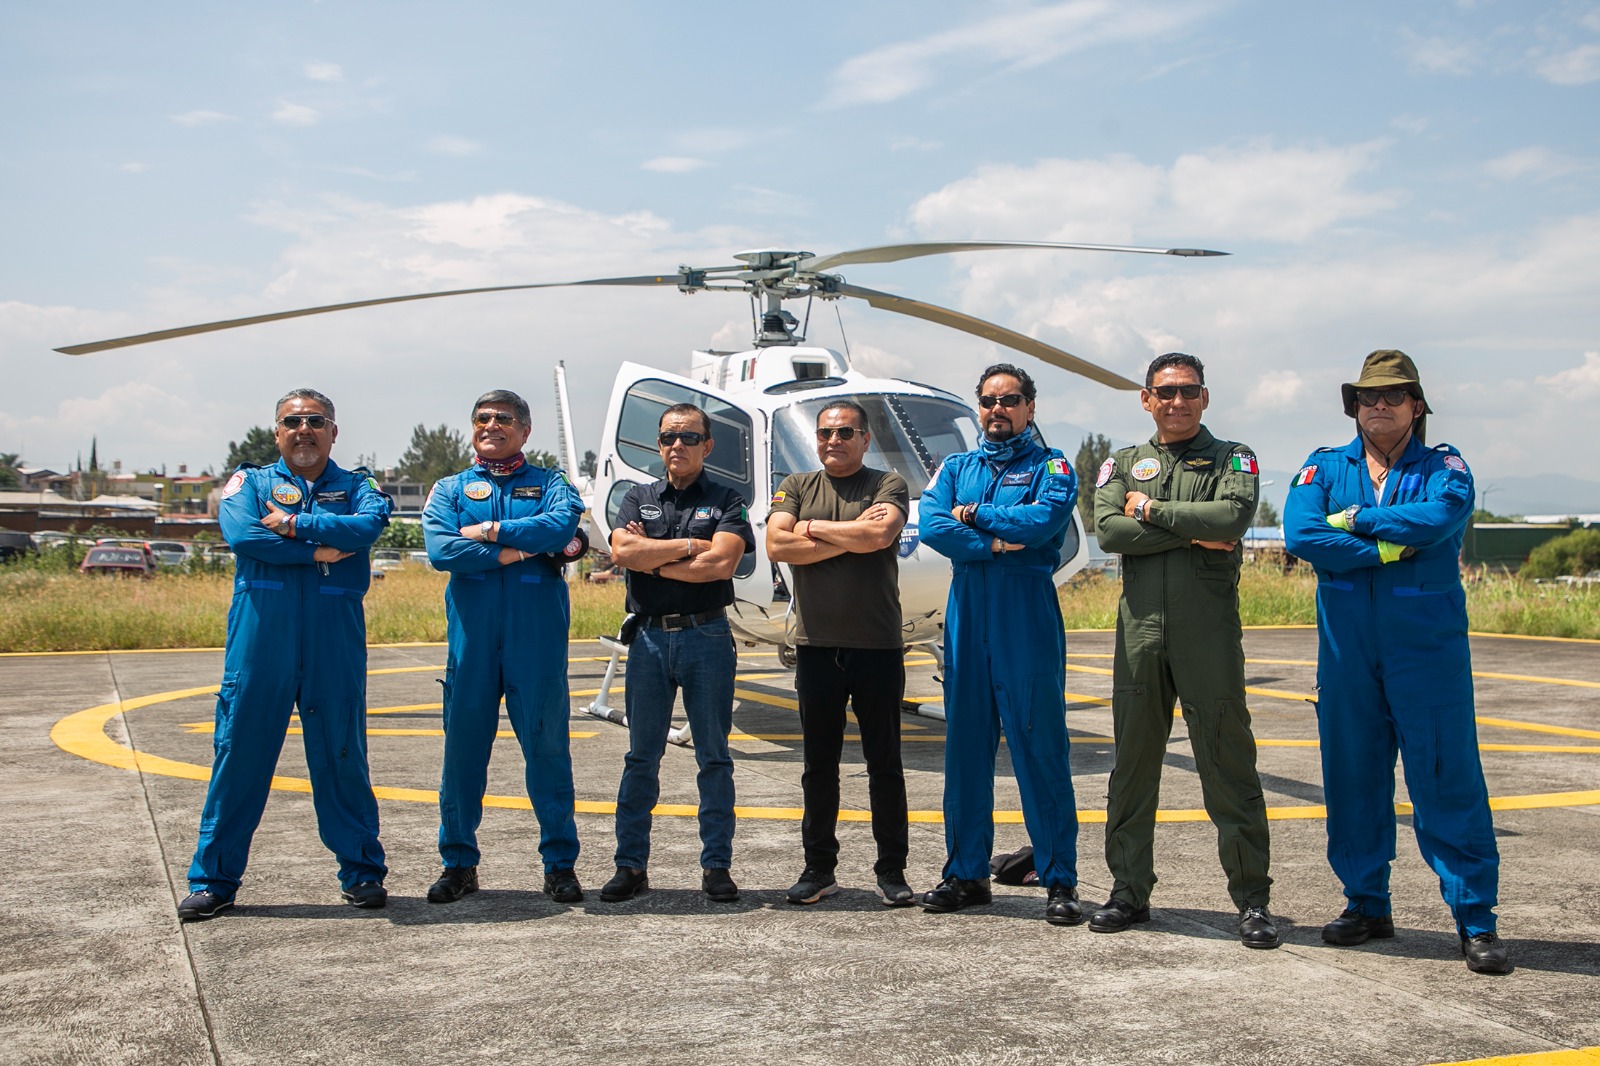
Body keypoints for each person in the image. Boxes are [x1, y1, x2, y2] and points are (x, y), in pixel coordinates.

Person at [1284, 350, 1508, 974]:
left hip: (1426, 653)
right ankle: (1366, 904)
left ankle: (1475, 921)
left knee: (1446, 778)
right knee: (1352, 776)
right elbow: (1302, 535)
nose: (1379, 405)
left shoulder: (1445, 466)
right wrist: (1388, 549)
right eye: (1367, 396)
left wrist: (1356, 521)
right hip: (1346, 652)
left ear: (1416, 407)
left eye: (1394, 395)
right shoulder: (1321, 466)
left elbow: (1441, 517)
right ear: (1353, 406)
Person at [179, 388, 391, 920]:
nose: (304, 430)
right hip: (261, 641)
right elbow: (243, 534)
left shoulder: (358, 485)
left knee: (344, 756)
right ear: (276, 432)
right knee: (239, 754)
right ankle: (214, 880)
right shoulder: (249, 482)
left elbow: (367, 527)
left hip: (333, 641)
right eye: (292, 421)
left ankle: (362, 872)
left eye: (316, 421)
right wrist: (319, 551)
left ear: (333, 432)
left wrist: (296, 525)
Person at [1090, 352, 1277, 948]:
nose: (1177, 402)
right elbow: (1108, 531)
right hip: (1140, 634)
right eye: (1165, 392)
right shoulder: (1122, 461)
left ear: (1204, 397)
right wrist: (1193, 529)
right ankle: (1128, 892)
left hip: (1208, 637)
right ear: (1146, 399)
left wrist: (1148, 509)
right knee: (1134, 765)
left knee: (1227, 762)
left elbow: (1231, 518)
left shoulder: (1233, 458)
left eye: (1188, 391)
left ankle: (1251, 901)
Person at [918, 363, 1084, 924]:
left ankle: (1060, 879)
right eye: (988, 401)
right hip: (968, 608)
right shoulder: (956, 466)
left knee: (1040, 748)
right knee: (964, 750)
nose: (997, 410)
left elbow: (1042, 522)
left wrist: (979, 516)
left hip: (1025, 611)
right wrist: (992, 542)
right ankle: (965, 874)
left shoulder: (1052, 464)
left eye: (1010, 400)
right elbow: (934, 524)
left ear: (1030, 407)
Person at [422, 390, 587, 905]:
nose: (492, 425)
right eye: (482, 418)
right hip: (472, 644)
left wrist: (492, 531)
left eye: (504, 419)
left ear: (525, 430)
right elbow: (442, 549)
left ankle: (559, 864)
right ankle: (458, 863)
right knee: (462, 756)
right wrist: (521, 551)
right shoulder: (449, 488)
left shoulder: (551, 483)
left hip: (534, 642)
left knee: (547, 751)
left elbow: (562, 527)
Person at [601, 403, 755, 903]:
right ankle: (630, 866)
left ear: (707, 446)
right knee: (640, 758)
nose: (677, 446)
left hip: (706, 636)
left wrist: (656, 558)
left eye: (689, 437)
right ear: (659, 444)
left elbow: (720, 565)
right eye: (669, 437)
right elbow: (621, 553)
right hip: (647, 638)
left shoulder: (729, 499)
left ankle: (716, 867)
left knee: (714, 758)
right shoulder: (637, 497)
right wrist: (690, 547)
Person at [767, 400, 913, 907]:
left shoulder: (887, 484)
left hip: (877, 644)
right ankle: (818, 868)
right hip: (815, 646)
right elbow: (776, 546)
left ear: (865, 439)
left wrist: (809, 529)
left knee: (885, 764)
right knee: (818, 764)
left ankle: (892, 870)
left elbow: (880, 533)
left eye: (846, 432)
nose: (834, 440)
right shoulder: (796, 485)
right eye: (826, 432)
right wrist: (850, 537)